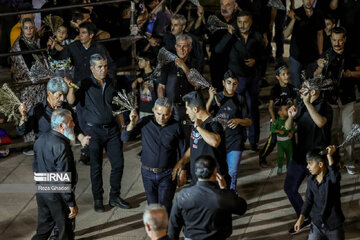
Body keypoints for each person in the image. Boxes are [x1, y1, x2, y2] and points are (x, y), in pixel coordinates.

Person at [69, 53, 130, 212]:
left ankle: (115, 197)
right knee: (96, 167)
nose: (104, 69)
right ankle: (98, 199)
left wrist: (122, 126)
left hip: (112, 130)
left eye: (105, 66)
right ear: (92, 68)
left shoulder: (110, 81)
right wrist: (70, 89)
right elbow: (71, 102)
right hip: (93, 131)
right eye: (100, 67)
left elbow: (117, 105)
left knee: (118, 164)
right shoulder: (85, 83)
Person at [284, 79, 333, 234]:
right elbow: (287, 127)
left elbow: (320, 122)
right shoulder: (301, 104)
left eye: (304, 88)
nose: (300, 90)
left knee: (321, 193)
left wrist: (308, 104)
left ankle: (325, 224)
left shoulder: (324, 106)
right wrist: (290, 116)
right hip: (300, 156)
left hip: (317, 159)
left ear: (313, 92)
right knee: (289, 188)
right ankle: (304, 218)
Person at [121, 98, 186, 213]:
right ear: (153, 110)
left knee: (165, 207)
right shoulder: (145, 122)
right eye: (159, 113)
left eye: (166, 114)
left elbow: (183, 150)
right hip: (147, 174)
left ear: (171, 112)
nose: (161, 117)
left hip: (168, 174)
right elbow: (125, 138)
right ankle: (155, 230)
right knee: (152, 207)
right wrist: (132, 122)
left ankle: (166, 230)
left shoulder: (176, 127)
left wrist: (183, 171)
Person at [216, 11, 265, 151]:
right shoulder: (232, 35)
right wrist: (228, 35)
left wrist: (256, 60)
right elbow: (218, 50)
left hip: (251, 79)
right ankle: (240, 140)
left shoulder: (256, 36)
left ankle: (254, 141)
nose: (242, 25)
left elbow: (264, 54)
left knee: (252, 110)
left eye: (245, 22)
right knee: (237, 111)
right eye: (239, 22)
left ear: (250, 22)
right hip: (235, 81)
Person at [313, 27, 360, 175]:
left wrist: (350, 74)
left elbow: (359, 72)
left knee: (348, 131)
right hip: (330, 100)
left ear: (345, 39)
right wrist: (320, 67)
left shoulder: (352, 53)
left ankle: (349, 161)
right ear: (330, 40)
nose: (337, 43)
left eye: (340, 39)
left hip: (348, 99)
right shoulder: (326, 55)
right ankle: (334, 160)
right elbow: (316, 77)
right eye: (334, 40)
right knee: (333, 132)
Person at [168, 155, 247, 240]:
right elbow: (241, 208)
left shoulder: (183, 195)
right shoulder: (222, 196)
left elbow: (174, 225)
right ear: (215, 171)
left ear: (195, 172)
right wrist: (225, 189)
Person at [17, 77, 90, 164]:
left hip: (64, 154)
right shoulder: (38, 110)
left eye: (64, 95)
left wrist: (82, 139)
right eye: (59, 95)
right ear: (49, 93)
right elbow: (22, 131)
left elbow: (75, 128)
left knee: (68, 176)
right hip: (44, 156)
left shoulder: (66, 108)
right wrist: (23, 116)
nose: (62, 99)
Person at [32, 109, 78, 240]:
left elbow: (35, 167)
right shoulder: (62, 146)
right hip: (57, 195)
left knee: (43, 229)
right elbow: (63, 178)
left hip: (42, 191)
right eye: (71, 122)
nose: (74, 124)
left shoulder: (40, 140)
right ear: (62, 126)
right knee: (65, 231)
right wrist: (70, 203)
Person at [172, 91, 231, 187]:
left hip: (214, 181)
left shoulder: (214, 123)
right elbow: (193, 147)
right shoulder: (195, 123)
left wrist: (199, 127)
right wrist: (182, 164)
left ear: (195, 109)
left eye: (187, 109)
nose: (186, 112)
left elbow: (215, 142)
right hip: (197, 180)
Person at [206, 70, 251, 193]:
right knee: (220, 171)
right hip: (219, 141)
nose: (232, 86)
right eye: (229, 83)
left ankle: (232, 194)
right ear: (223, 83)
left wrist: (238, 120)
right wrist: (210, 98)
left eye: (235, 83)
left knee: (233, 171)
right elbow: (203, 115)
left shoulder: (240, 99)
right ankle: (222, 194)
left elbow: (249, 121)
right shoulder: (217, 97)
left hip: (236, 140)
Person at [11, 17, 52, 143]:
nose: (29, 30)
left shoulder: (31, 41)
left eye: (31, 28)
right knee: (29, 112)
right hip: (27, 86)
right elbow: (27, 66)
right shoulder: (20, 44)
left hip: (37, 85)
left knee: (40, 111)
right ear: (22, 29)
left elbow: (39, 59)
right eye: (26, 28)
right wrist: (49, 75)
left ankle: (41, 138)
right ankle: (31, 143)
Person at [294, 145, 345, 239]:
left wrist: (329, 156)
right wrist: (301, 218)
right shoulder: (311, 180)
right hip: (317, 225)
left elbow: (335, 177)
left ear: (320, 164)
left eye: (310, 163)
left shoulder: (331, 179)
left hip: (333, 226)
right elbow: (308, 200)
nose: (307, 167)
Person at [259, 65, 296, 167]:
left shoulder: (292, 89)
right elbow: (270, 107)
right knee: (273, 140)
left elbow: (294, 105)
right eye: (283, 74)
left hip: (288, 119)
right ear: (277, 77)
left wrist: (293, 119)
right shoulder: (275, 90)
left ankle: (294, 160)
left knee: (291, 139)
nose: (286, 76)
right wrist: (274, 119)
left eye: (287, 73)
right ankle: (262, 156)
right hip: (277, 119)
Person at [284, 0, 324, 89]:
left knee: (312, 87)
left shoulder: (318, 14)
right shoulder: (295, 13)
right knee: (297, 87)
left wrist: (320, 54)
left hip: (312, 57)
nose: (309, 1)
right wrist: (293, 19)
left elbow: (320, 34)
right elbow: (286, 34)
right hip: (296, 57)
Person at [208, 0, 238, 91]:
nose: (224, 8)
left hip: (234, 61)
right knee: (218, 88)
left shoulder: (240, 20)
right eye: (222, 4)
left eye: (228, 5)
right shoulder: (214, 19)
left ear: (235, 5)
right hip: (217, 60)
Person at [132, 52, 158, 118]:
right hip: (142, 109)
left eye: (141, 60)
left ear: (147, 62)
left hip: (153, 109)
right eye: (138, 61)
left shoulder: (155, 76)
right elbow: (133, 86)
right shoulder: (140, 75)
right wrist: (136, 80)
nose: (139, 63)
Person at [271, 104, 295, 174]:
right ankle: (279, 168)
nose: (288, 111)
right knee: (280, 156)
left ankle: (289, 168)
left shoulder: (289, 119)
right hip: (280, 142)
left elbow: (293, 127)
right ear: (279, 112)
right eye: (286, 109)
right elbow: (272, 129)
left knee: (289, 156)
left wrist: (292, 132)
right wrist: (278, 131)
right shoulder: (276, 121)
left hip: (288, 141)